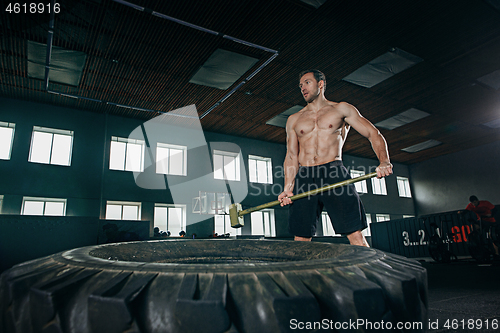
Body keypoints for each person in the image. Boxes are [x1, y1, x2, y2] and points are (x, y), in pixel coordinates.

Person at [278, 69, 393, 247]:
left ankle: (372, 275)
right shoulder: (294, 119)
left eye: (307, 82)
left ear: (321, 84)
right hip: (305, 175)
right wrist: (288, 187)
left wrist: (384, 161)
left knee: (355, 235)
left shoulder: (341, 109)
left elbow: (373, 133)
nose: (303, 88)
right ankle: (304, 276)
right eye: (300, 85)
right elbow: (292, 155)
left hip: (333, 171)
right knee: (301, 238)